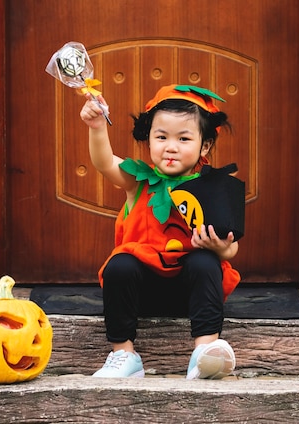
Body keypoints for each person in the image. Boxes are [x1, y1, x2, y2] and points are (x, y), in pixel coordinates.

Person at [79, 84, 241, 379]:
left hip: (189, 291)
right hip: (140, 291)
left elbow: (231, 249)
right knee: (119, 264)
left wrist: (218, 247)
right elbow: (104, 162)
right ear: (149, 140)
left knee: (205, 262)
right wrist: (97, 126)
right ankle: (123, 355)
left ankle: (205, 352)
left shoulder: (213, 189)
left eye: (184, 138)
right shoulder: (137, 181)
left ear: (204, 146)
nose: (171, 146)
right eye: (161, 137)